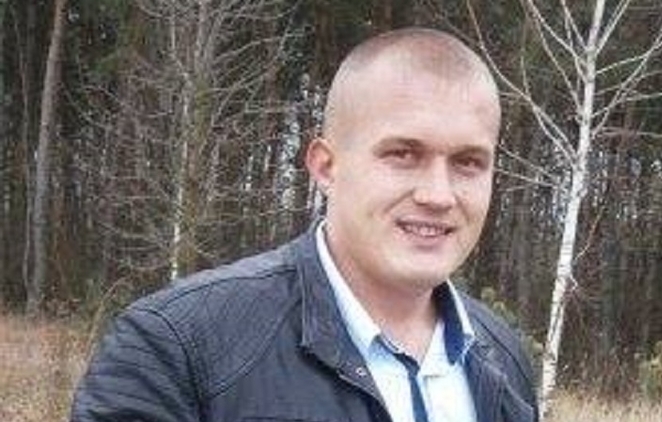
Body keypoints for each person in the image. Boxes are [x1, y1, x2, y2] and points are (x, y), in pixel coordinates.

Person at [71, 27, 539, 422]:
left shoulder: (502, 359)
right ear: (325, 167)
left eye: (468, 162)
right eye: (402, 154)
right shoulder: (179, 346)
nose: (438, 195)